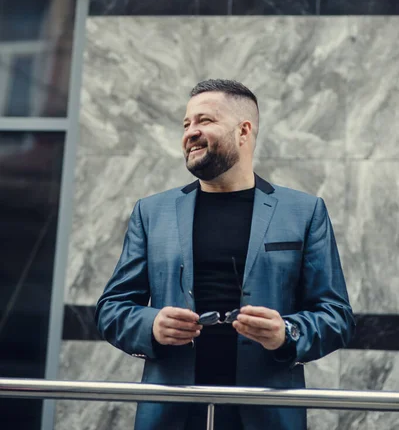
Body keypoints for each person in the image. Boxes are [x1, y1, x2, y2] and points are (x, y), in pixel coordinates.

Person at [95, 79, 355, 430]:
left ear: (243, 131)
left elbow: (336, 316)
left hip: (265, 414)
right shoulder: (151, 212)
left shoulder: (304, 212)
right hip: (173, 413)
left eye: (205, 121)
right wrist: (152, 325)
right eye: (186, 124)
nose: (191, 132)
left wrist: (287, 332)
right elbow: (111, 309)